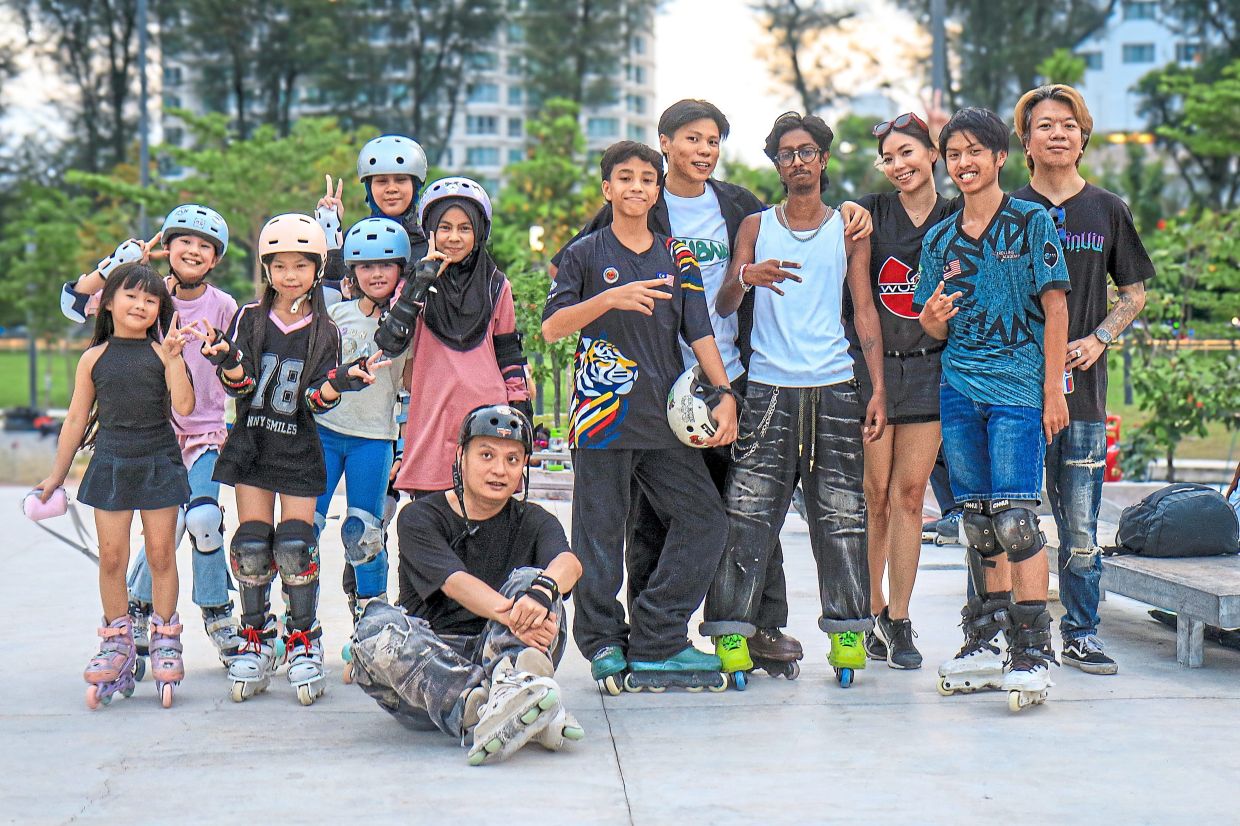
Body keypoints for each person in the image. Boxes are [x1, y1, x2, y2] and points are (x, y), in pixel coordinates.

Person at [550, 99, 855, 674]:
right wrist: (607, 306)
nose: (704, 150)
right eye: (692, 139)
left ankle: (758, 626)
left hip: (728, 375)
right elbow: (567, 294)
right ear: (665, 143)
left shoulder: (736, 204)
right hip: (643, 393)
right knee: (644, 523)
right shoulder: (625, 212)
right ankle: (644, 637)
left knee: (745, 509)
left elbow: (794, 230)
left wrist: (854, 213)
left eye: (713, 140)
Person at [542, 140, 738, 693]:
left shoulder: (678, 256)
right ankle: (603, 643)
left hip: (665, 421)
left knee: (706, 521)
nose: (636, 187)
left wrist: (723, 392)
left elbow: (699, 331)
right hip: (600, 421)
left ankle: (657, 636)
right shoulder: (584, 254)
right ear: (608, 189)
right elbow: (553, 327)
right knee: (599, 539)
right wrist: (609, 299)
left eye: (646, 179)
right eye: (624, 178)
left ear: (657, 190)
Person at [701, 111, 886, 689]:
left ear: (824, 160)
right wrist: (746, 276)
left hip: (833, 383)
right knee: (749, 512)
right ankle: (731, 631)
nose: (798, 161)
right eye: (787, 154)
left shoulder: (848, 226)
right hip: (769, 386)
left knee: (840, 513)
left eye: (807, 151)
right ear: (776, 164)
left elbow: (863, 309)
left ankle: (849, 631)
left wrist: (876, 387)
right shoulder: (756, 225)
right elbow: (726, 302)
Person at [913, 107, 1070, 710]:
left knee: (1017, 522)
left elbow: (1056, 308)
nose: (965, 163)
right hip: (959, 389)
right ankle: (984, 641)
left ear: (1001, 157)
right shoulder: (939, 238)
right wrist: (930, 319)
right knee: (977, 524)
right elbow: (930, 320)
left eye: (976, 151)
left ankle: (1031, 653)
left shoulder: (1032, 222)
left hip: (1019, 389)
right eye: (954, 154)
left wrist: (1053, 389)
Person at [200, 213, 386, 706]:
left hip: (299, 445)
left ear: (317, 267)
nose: (289, 275)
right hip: (254, 443)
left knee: (296, 547)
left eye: (301, 265)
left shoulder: (326, 330)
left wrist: (342, 381)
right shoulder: (250, 318)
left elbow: (314, 401)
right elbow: (241, 388)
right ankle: (257, 638)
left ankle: (303, 639)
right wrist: (227, 360)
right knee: (252, 546)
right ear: (266, 269)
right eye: (279, 265)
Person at [56, 206, 244, 667]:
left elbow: (241, 362)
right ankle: (137, 613)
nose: (193, 251)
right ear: (167, 247)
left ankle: (218, 614)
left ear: (215, 259)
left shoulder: (223, 305)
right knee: (163, 537)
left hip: (201, 434)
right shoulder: (143, 295)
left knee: (201, 521)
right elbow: (75, 304)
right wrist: (114, 266)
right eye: (184, 241)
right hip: (150, 439)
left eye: (205, 246)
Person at [349, 404, 584, 766]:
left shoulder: (535, 520)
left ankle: (513, 691)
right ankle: (496, 706)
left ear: (523, 468)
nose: (498, 470)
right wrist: (521, 615)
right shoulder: (419, 518)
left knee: (534, 581)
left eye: (512, 459)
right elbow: (456, 583)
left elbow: (569, 564)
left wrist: (542, 591)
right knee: (374, 625)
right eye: (486, 455)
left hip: (507, 652)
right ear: (461, 456)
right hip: (432, 675)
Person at [1012, 84, 1152, 675]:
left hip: (1084, 398)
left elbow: (1136, 293)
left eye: (1069, 124)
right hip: (1016, 390)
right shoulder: (1006, 209)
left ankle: (1082, 632)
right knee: (1006, 517)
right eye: (1045, 125)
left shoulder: (1108, 209)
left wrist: (1100, 338)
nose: (1059, 134)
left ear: (1083, 136)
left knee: (1080, 527)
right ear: (1025, 141)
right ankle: (1005, 630)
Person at [35, 264, 196, 708]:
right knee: (111, 559)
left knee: (162, 554)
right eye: (131, 296)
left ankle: (165, 639)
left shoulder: (164, 353)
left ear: (160, 309)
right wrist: (55, 474)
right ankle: (116, 643)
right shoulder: (94, 358)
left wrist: (176, 359)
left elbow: (184, 406)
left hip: (158, 459)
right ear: (108, 302)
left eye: (151, 300)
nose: (141, 305)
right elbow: (75, 419)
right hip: (110, 461)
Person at [848, 112, 960, 669]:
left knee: (911, 496)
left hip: (931, 368)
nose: (899, 165)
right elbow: (861, 294)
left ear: (933, 154)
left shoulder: (956, 214)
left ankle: (900, 619)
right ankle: (868, 610)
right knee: (875, 495)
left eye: (908, 153)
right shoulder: (870, 211)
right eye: (889, 157)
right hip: (875, 368)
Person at [374, 177, 533, 497]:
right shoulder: (414, 283)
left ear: (479, 232)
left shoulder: (496, 284)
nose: (455, 237)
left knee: (486, 530)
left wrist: (521, 411)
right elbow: (390, 342)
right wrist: (421, 281)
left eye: (465, 228)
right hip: (433, 417)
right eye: (445, 227)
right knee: (430, 524)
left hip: (489, 417)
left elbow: (509, 353)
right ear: (430, 231)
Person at [314, 217, 414, 679]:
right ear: (351, 271)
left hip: (373, 438)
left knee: (364, 533)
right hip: (325, 433)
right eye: (367, 266)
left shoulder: (409, 324)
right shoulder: (335, 315)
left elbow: (412, 383)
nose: (377, 274)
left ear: (401, 271)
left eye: (387, 266)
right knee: (303, 535)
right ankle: (302, 631)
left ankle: (371, 628)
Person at [316, 134, 432, 290]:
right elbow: (331, 295)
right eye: (382, 181)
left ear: (415, 185)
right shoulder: (353, 238)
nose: (391, 189)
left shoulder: (430, 242)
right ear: (369, 188)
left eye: (400, 180)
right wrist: (330, 241)